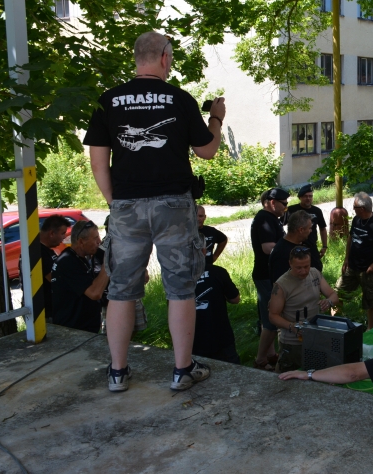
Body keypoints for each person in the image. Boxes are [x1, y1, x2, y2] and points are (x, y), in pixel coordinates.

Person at [85, 30, 225, 392]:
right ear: (164, 57)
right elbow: (207, 151)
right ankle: (182, 370)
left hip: (126, 206)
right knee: (180, 288)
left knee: (121, 289)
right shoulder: (180, 99)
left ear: (137, 58)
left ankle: (117, 373)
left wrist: (115, 203)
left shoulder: (108, 100)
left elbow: (98, 163)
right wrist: (216, 118)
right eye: (171, 57)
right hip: (174, 206)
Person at [269, 247, 339, 373]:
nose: (303, 271)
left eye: (306, 266)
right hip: (292, 341)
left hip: (315, 336)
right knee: (287, 376)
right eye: (299, 268)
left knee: (315, 374)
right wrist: (292, 326)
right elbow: (273, 316)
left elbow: (333, 295)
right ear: (290, 264)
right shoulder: (281, 285)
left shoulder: (314, 273)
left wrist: (328, 302)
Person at [340, 192, 373, 330]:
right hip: (352, 266)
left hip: (368, 270)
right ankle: (337, 324)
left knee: (371, 302)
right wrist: (346, 258)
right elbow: (351, 238)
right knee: (338, 294)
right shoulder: (356, 220)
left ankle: (370, 330)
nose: (353, 209)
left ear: (362, 209)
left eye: (354, 207)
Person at [251, 187, 289, 370]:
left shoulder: (271, 218)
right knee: (272, 320)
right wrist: (288, 246)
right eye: (284, 204)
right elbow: (267, 248)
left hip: (270, 275)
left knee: (269, 318)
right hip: (265, 275)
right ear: (272, 203)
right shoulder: (264, 219)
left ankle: (271, 355)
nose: (286, 208)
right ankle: (260, 360)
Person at [51, 221, 109, 334]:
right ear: (81, 241)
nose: (99, 241)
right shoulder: (68, 262)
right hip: (72, 331)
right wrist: (107, 262)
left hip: (83, 329)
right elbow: (95, 293)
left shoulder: (78, 258)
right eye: (95, 238)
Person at [19, 214, 69, 320]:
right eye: (62, 233)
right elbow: (55, 279)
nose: (64, 237)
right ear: (52, 233)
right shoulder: (38, 252)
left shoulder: (45, 250)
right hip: (42, 311)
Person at [193, 257, 241, 364]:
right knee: (231, 370)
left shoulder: (177, 277)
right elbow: (235, 299)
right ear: (203, 251)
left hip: (191, 341)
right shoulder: (218, 272)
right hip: (221, 338)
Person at [286, 184, 328, 271]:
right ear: (300, 197)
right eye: (305, 196)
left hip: (311, 246)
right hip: (294, 247)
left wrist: (324, 246)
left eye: (310, 196)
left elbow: (322, 228)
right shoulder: (291, 210)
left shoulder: (317, 211)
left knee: (316, 269)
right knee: (296, 271)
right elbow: (280, 224)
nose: (308, 198)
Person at [269, 210, 313, 284]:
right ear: (301, 230)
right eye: (309, 228)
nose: (311, 231)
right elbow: (279, 284)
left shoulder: (299, 243)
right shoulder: (282, 253)